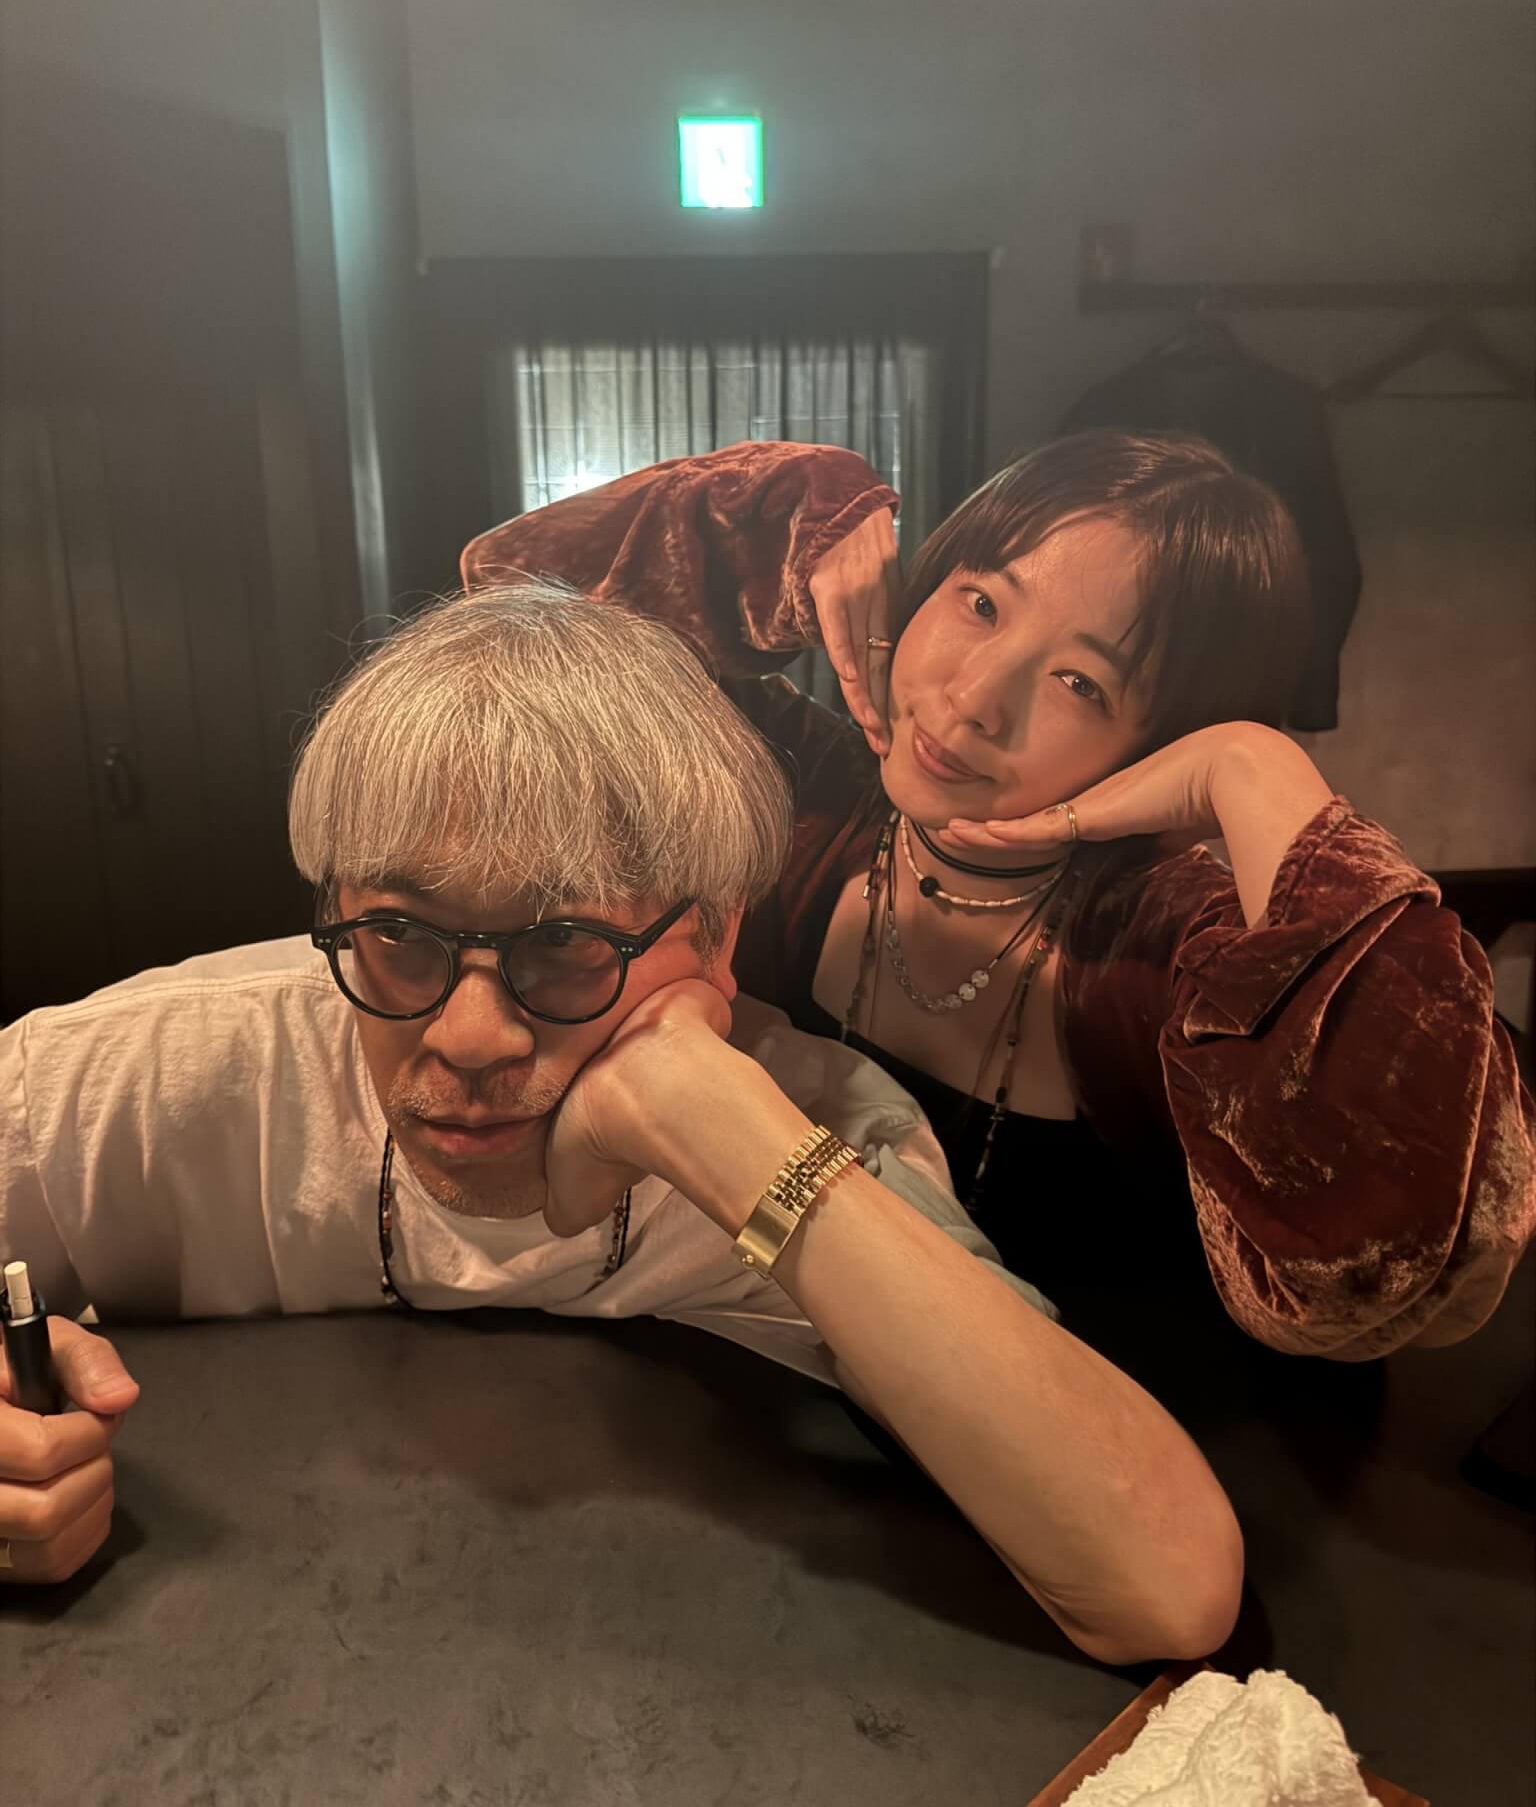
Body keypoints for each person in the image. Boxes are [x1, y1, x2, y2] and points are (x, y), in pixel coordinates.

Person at [0, 582, 1241, 1664]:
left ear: (716, 930)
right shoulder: (160, 1064)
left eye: (565, 943)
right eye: (400, 932)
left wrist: (709, 1125)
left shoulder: (807, 1133)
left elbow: (1165, 1583)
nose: (469, 1035)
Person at [462, 435, 1536, 1361]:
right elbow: (514, 614)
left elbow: (1394, 1259)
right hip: (737, 1398)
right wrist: (788, 511)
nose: (973, 698)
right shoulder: (791, 788)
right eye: (980, 602)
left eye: (1081, 682)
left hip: (1062, 1467)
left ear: (1163, 741)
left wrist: (1256, 770)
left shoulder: (1170, 948)